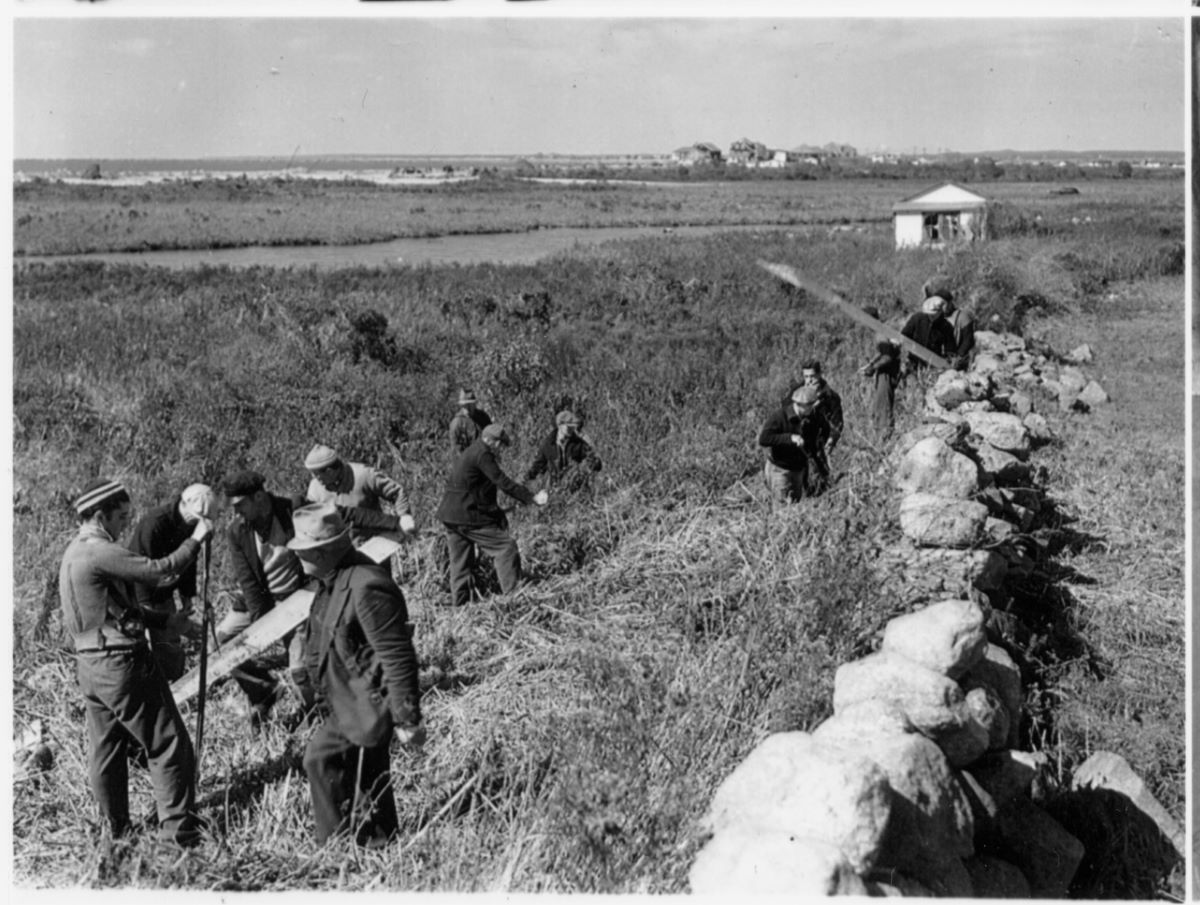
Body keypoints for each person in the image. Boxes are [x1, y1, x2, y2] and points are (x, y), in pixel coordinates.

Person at [59, 478, 213, 848]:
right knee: (168, 745)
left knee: (107, 750)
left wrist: (168, 621)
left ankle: (116, 833)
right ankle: (178, 839)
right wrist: (197, 537)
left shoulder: (73, 554)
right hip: (120, 664)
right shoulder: (98, 550)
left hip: (91, 668)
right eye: (121, 517)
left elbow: (115, 612)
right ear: (100, 516)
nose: (125, 525)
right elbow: (159, 569)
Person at [221, 470, 407, 729]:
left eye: (240, 506)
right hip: (264, 602)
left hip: (300, 597)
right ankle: (264, 691)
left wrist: (396, 523)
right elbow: (249, 583)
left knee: (299, 669)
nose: (236, 513)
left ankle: (318, 713)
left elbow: (344, 515)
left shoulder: (294, 509)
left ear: (260, 497)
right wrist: (264, 629)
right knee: (221, 641)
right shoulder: (237, 531)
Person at [289, 504, 425, 847]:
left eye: (302, 551)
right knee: (367, 777)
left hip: (367, 702)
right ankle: (379, 843)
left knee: (320, 759)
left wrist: (408, 718)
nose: (297, 557)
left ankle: (333, 849)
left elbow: (397, 654)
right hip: (345, 698)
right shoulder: (330, 580)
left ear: (322, 550)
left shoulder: (366, 585)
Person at [434, 423, 549, 606]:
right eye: (500, 444)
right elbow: (503, 482)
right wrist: (531, 498)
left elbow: (478, 492)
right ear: (491, 441)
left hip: (451, 515)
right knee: (506, 547)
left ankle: (460, 608)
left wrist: (496, 514)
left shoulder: (472, 451)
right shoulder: (483, 454)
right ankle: (515, 599)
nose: (501, 449)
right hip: (465, 516)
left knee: (460, 564)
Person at [125, 483, 217, 682]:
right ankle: (155, 691)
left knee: (169, 646)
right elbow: (141, 568)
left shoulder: (189, 526)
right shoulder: (155, 523)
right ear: (185, 506)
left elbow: (188, 560)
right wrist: (146, 609)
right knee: (146, 648)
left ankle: (176, 688)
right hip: (141, 596)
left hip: (165, 593)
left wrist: (187, 596)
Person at [304, 444, 415, 543]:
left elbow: (396, 492)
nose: (314, 479)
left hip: (374, 545)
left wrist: (404, 516)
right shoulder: (314, 489)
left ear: (329, 471)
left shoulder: (364, 475)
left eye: (316, 475)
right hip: (340, 554)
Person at [758, 384, 823, 503]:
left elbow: (815, 442)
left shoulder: (812, 417)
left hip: (798, 470)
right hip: (780, 469)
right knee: (782, 508)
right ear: (800, 405)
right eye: (810, 406)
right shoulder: (779, 417)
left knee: (795, 504)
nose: (813, 408)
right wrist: (790, 438)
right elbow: (764, 439)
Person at [523, 409, 602, 491]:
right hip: (555, 490)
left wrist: (593, 462)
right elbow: (538, 466)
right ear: (559, 425)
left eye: (573, 427)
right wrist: (526, 478)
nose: (571, 429)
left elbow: (596, 463)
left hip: (576, 490)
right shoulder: (548, 444)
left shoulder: (579, 444)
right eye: (568, 427)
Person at [859, 308, 902, 442]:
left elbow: (888, 357)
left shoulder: (880, 334)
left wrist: (872, 368)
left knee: (882, 407)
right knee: (880, 406)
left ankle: (884, 440)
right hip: (885, 372)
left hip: (886, 374)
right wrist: (871, 364)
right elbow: (883, 352)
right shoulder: (882, 330)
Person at [799, 361, 843, 491]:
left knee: (823, 476)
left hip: (820, 441)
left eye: (812, 376)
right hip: (800, 439)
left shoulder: (831, 397)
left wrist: (832, 439)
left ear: (819, 375)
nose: (809, 380)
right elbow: (786, 413)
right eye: (806, 377)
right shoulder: (797, 392)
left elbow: (837, 422)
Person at [899, 294, 954, 373]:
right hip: (913, 362)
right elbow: (904, 335)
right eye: (929, 313)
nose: (931, 316)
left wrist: (944, 364)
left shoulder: (946, 327)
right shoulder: (917, 319)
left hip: (932, 366)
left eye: (934, 314)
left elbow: (950, 350)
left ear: (940, 312)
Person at [449, 388, 492, 455]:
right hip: (468, 461)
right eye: (465, 405)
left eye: (470, 404)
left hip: (485, 457)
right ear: (461, 405)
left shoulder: (483, 417)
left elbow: (492, 436)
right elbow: (456, 449)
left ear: (474, 404)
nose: (467, 407)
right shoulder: (457, 424)